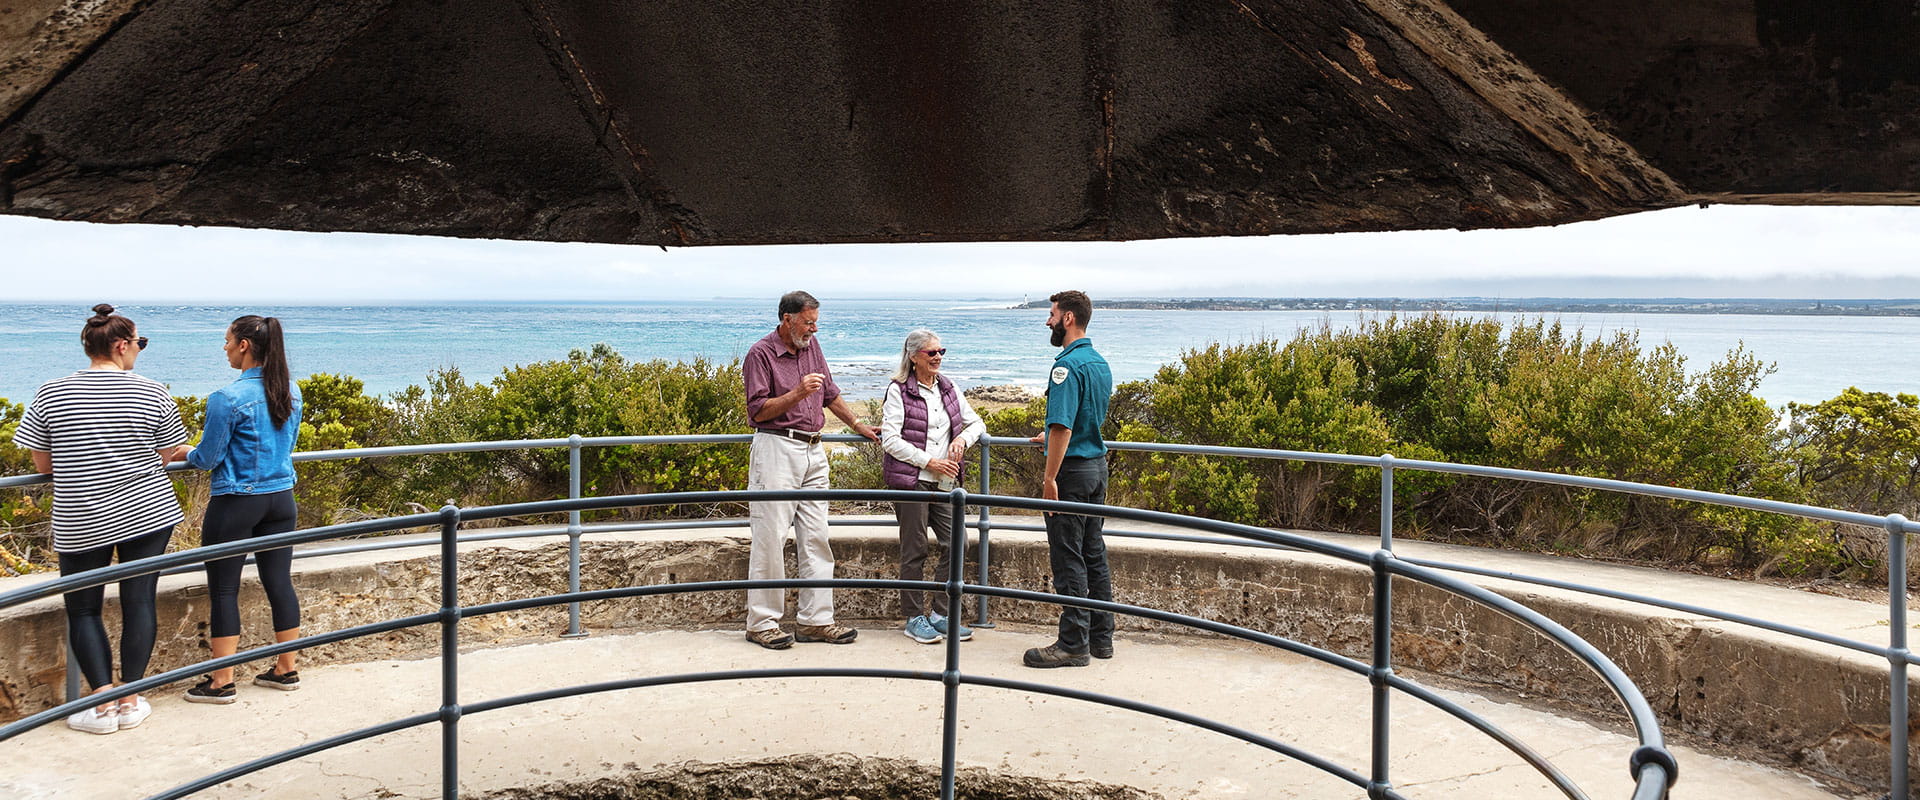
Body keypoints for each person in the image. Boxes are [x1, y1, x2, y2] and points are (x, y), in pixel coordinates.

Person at [12, 304, 192, 733]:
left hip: (81, 514)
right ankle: (130, 699)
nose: (139, 352)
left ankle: (101, 705)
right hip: (148, 511)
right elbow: (170, 453)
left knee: (84, 609)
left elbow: (42, 463)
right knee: (138, 601)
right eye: (138, 344)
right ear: (120, 345)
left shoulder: (49, 392)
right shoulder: (151, 392)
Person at [740, 291, 880, 649]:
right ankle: (762, 622)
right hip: (777, 448)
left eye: (816, 322)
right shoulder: (761, 354)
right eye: (808, 322)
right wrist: (798, 394)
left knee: (817, 537)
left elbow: (830, 394)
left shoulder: (812, 349)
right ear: (787, 319)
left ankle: (816, 620)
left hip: (814, 449)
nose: (814, 329)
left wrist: (858, 425)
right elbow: (757, 412)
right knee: (770, 537)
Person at [181, 315, 305, 703]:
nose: (225, 348)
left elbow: (208, 457)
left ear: (245, 345)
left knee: (224, 589)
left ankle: (221, 682)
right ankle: (286, 669)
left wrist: (184, 452)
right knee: (279, 582)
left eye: (227, 340)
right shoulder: (292, 391)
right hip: (281, 499)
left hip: (237, 501)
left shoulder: (227, 398)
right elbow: (286, 446)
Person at [1023, 290, 1114, 669]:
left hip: (1072, 471)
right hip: (1097, 465)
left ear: (1069, 319)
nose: (1048, 321)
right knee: (1094, 551)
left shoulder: (1065, 367)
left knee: (1068, 556)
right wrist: (1056, 434)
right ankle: (1101, 637)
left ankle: (1072, 643)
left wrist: (1049, 478)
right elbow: (1086, 418)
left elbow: (1061, 425)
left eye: (1052, 314)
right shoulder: (1099, 362)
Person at [879, 329, 986, 644]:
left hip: (943, 482)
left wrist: (962, 439)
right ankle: (914, 618)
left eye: (942, 351)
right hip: (911, 482)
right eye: (931, 353)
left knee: (958, 543)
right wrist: (929, 462)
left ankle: (940, 614)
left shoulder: (949, 388)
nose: (938, 357)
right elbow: (890, 440)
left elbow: (976, 422)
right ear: (914, 357)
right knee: (915, 549)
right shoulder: (898, 390)